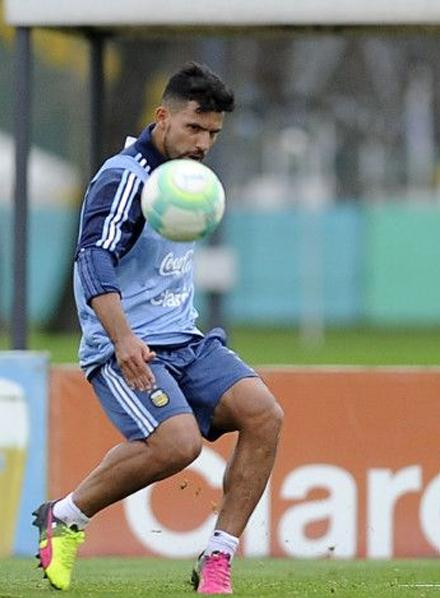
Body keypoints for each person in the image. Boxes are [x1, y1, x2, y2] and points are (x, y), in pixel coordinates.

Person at [33, 63, 283, 595]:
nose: (203, 143)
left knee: (265, 414)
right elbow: (93, 258)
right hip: (123, 345)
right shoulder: (125, 177)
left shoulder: (191, 180)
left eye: (213, 133)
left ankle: (218, 558)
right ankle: (66, 518)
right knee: (177, 445)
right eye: (194, 128)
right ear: (162, 117)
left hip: (185, 340)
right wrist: (123, 338)